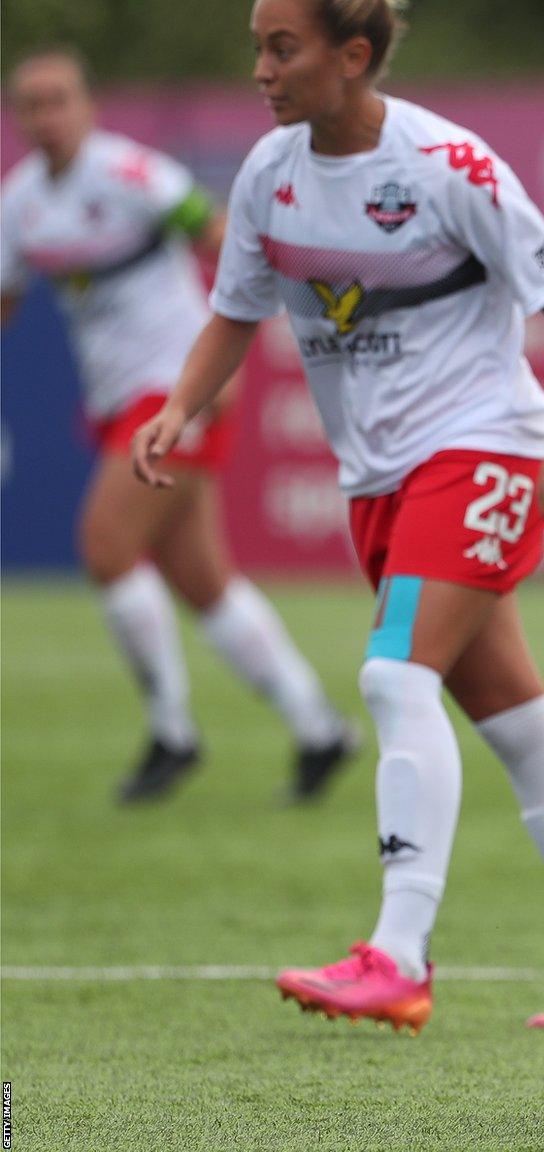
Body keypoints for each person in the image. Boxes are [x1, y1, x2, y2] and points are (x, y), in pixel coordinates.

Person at [133, 0, 544, 1034]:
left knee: (391, 674)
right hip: (376, 482)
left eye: (281, 47)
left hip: (481, 452)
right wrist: (179, 407)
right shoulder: (268, 175)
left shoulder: (447, 166)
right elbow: (233, 313)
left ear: (353, 55)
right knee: (518, 722)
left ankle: (398, 954)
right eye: (257, 46)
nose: (262, 68)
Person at [1, 46, 356, 804]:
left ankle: (173, 732)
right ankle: (319, 727)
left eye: (58, 99)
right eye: (30, 103)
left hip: (175, 392)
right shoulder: (20, 201)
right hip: (115, 399)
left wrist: (232, 354)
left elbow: (222, 237)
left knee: (105, 543)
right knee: (203, 581)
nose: (45, 116)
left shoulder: (132, 174)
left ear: (87, 105)